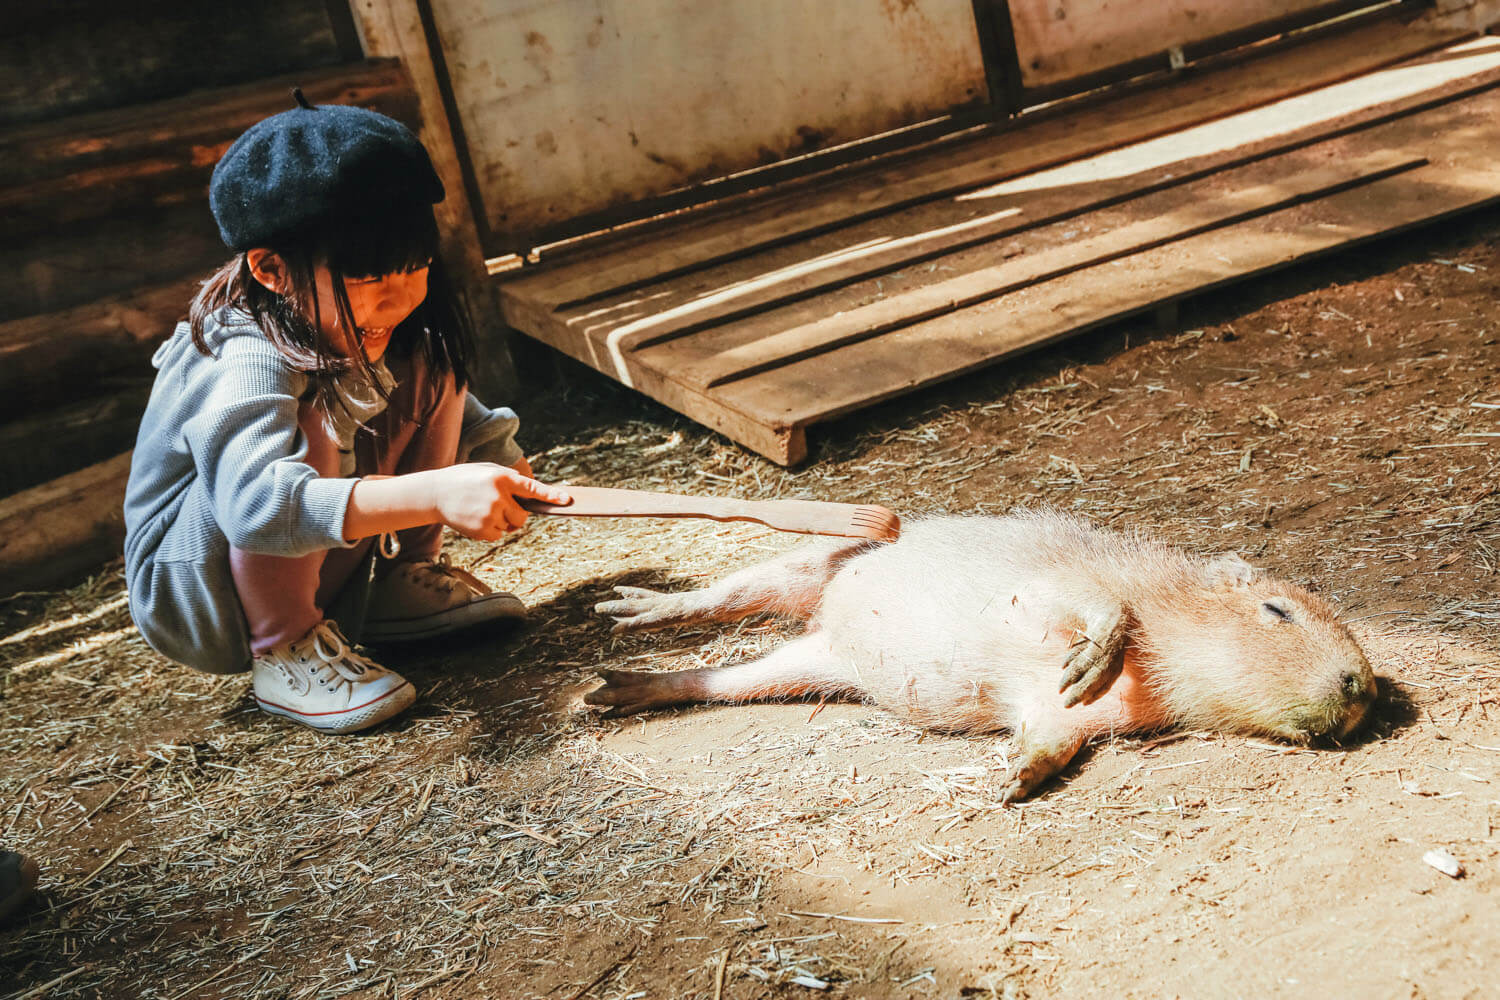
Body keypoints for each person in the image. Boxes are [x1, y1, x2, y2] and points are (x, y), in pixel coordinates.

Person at [123, 91, 570, 734]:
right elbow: (256, 507)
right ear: (272, 269)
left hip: (309, 555)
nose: (401, 296)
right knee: (316, 417)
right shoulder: (247, 352)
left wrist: (496, 453)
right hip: (200, 593)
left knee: (430, 355)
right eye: (367, 279)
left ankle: (397, 578)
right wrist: (435, 492)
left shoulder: (364, 319)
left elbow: (444, 397)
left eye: (414, 268)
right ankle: (286, 646)